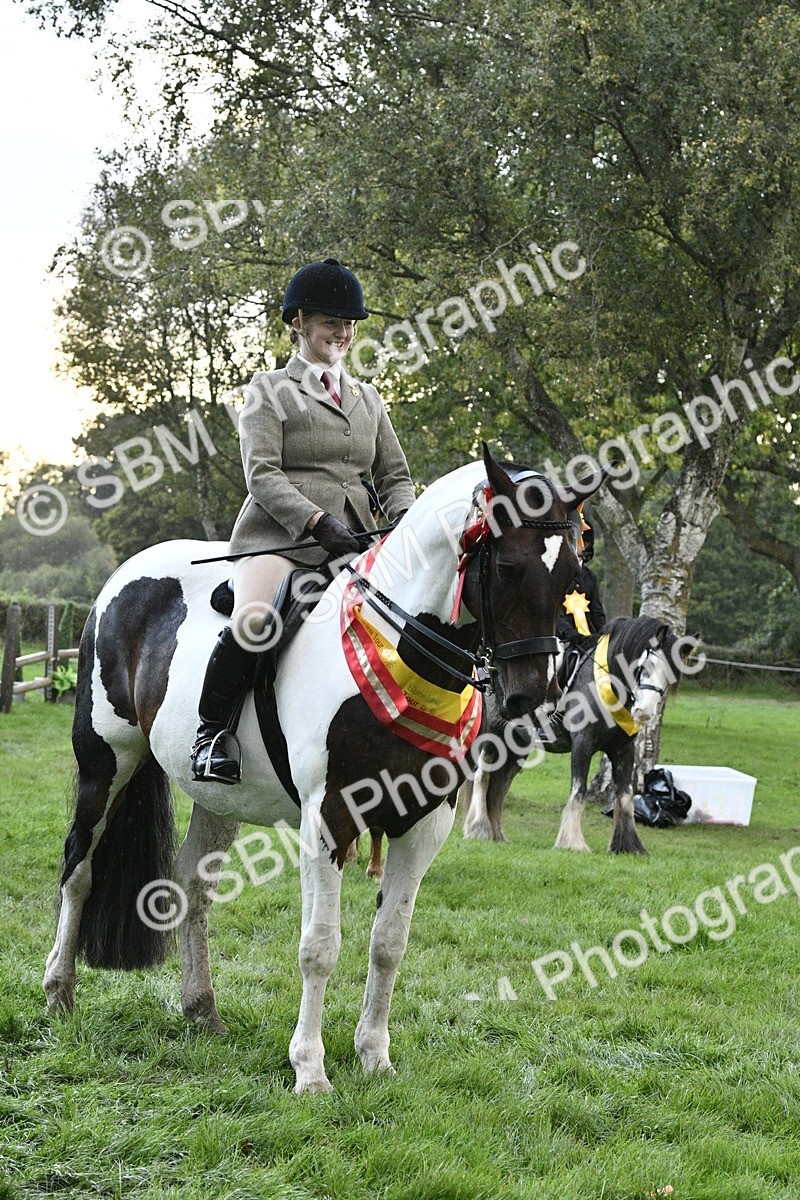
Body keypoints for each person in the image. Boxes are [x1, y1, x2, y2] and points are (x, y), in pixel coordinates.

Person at [191, 257, 416, 783]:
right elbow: (262, 475)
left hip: (357, 543)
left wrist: (405, 522)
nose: (343, 333)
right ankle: (212, 735)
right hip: (279, 541)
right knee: (256, 622)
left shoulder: (367, 397)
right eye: (331, 322)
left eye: (349, 324)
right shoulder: (269, 389)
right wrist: (316, 522)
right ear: (298, 323)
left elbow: (395, 476)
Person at [536, 514, 607, 750]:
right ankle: (544, 719)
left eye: (583, 541)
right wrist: (569, 634)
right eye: (576, 540)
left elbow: (597, 612)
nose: (579, 545)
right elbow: (552, 610)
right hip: (561, 638)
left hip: (587, 639)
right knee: (555, 664)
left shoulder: (590, 577)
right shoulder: (557, 572)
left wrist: (605, 635)